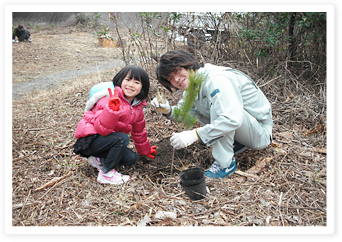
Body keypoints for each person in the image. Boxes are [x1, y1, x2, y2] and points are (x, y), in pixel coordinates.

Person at [151, 50, 273, 179]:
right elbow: (184, 113)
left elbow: (231, 119)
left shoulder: (216, 79)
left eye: (176, 71)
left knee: (222, 110)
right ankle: (237, 142)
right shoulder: (194, 87)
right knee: (207, 108)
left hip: (260, 133)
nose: (176, 79)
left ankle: (225, 164)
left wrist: (195, 134)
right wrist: (167, 110)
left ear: (187, 64)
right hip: (247, 129)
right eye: (170, 79)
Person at [73, 65, 157, 185]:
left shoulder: (137, 107)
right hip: (90, 140)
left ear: (143, 87)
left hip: (108, 140)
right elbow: (101, 129)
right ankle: (106, 173)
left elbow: (139, 132)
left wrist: (145, 150)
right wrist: (112, 110)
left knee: (131, 158)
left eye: (137, 82)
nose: (131, 85)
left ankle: (98, 160)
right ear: (120, 80)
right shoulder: (110, 98)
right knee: (122, 139)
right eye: (128, 80)